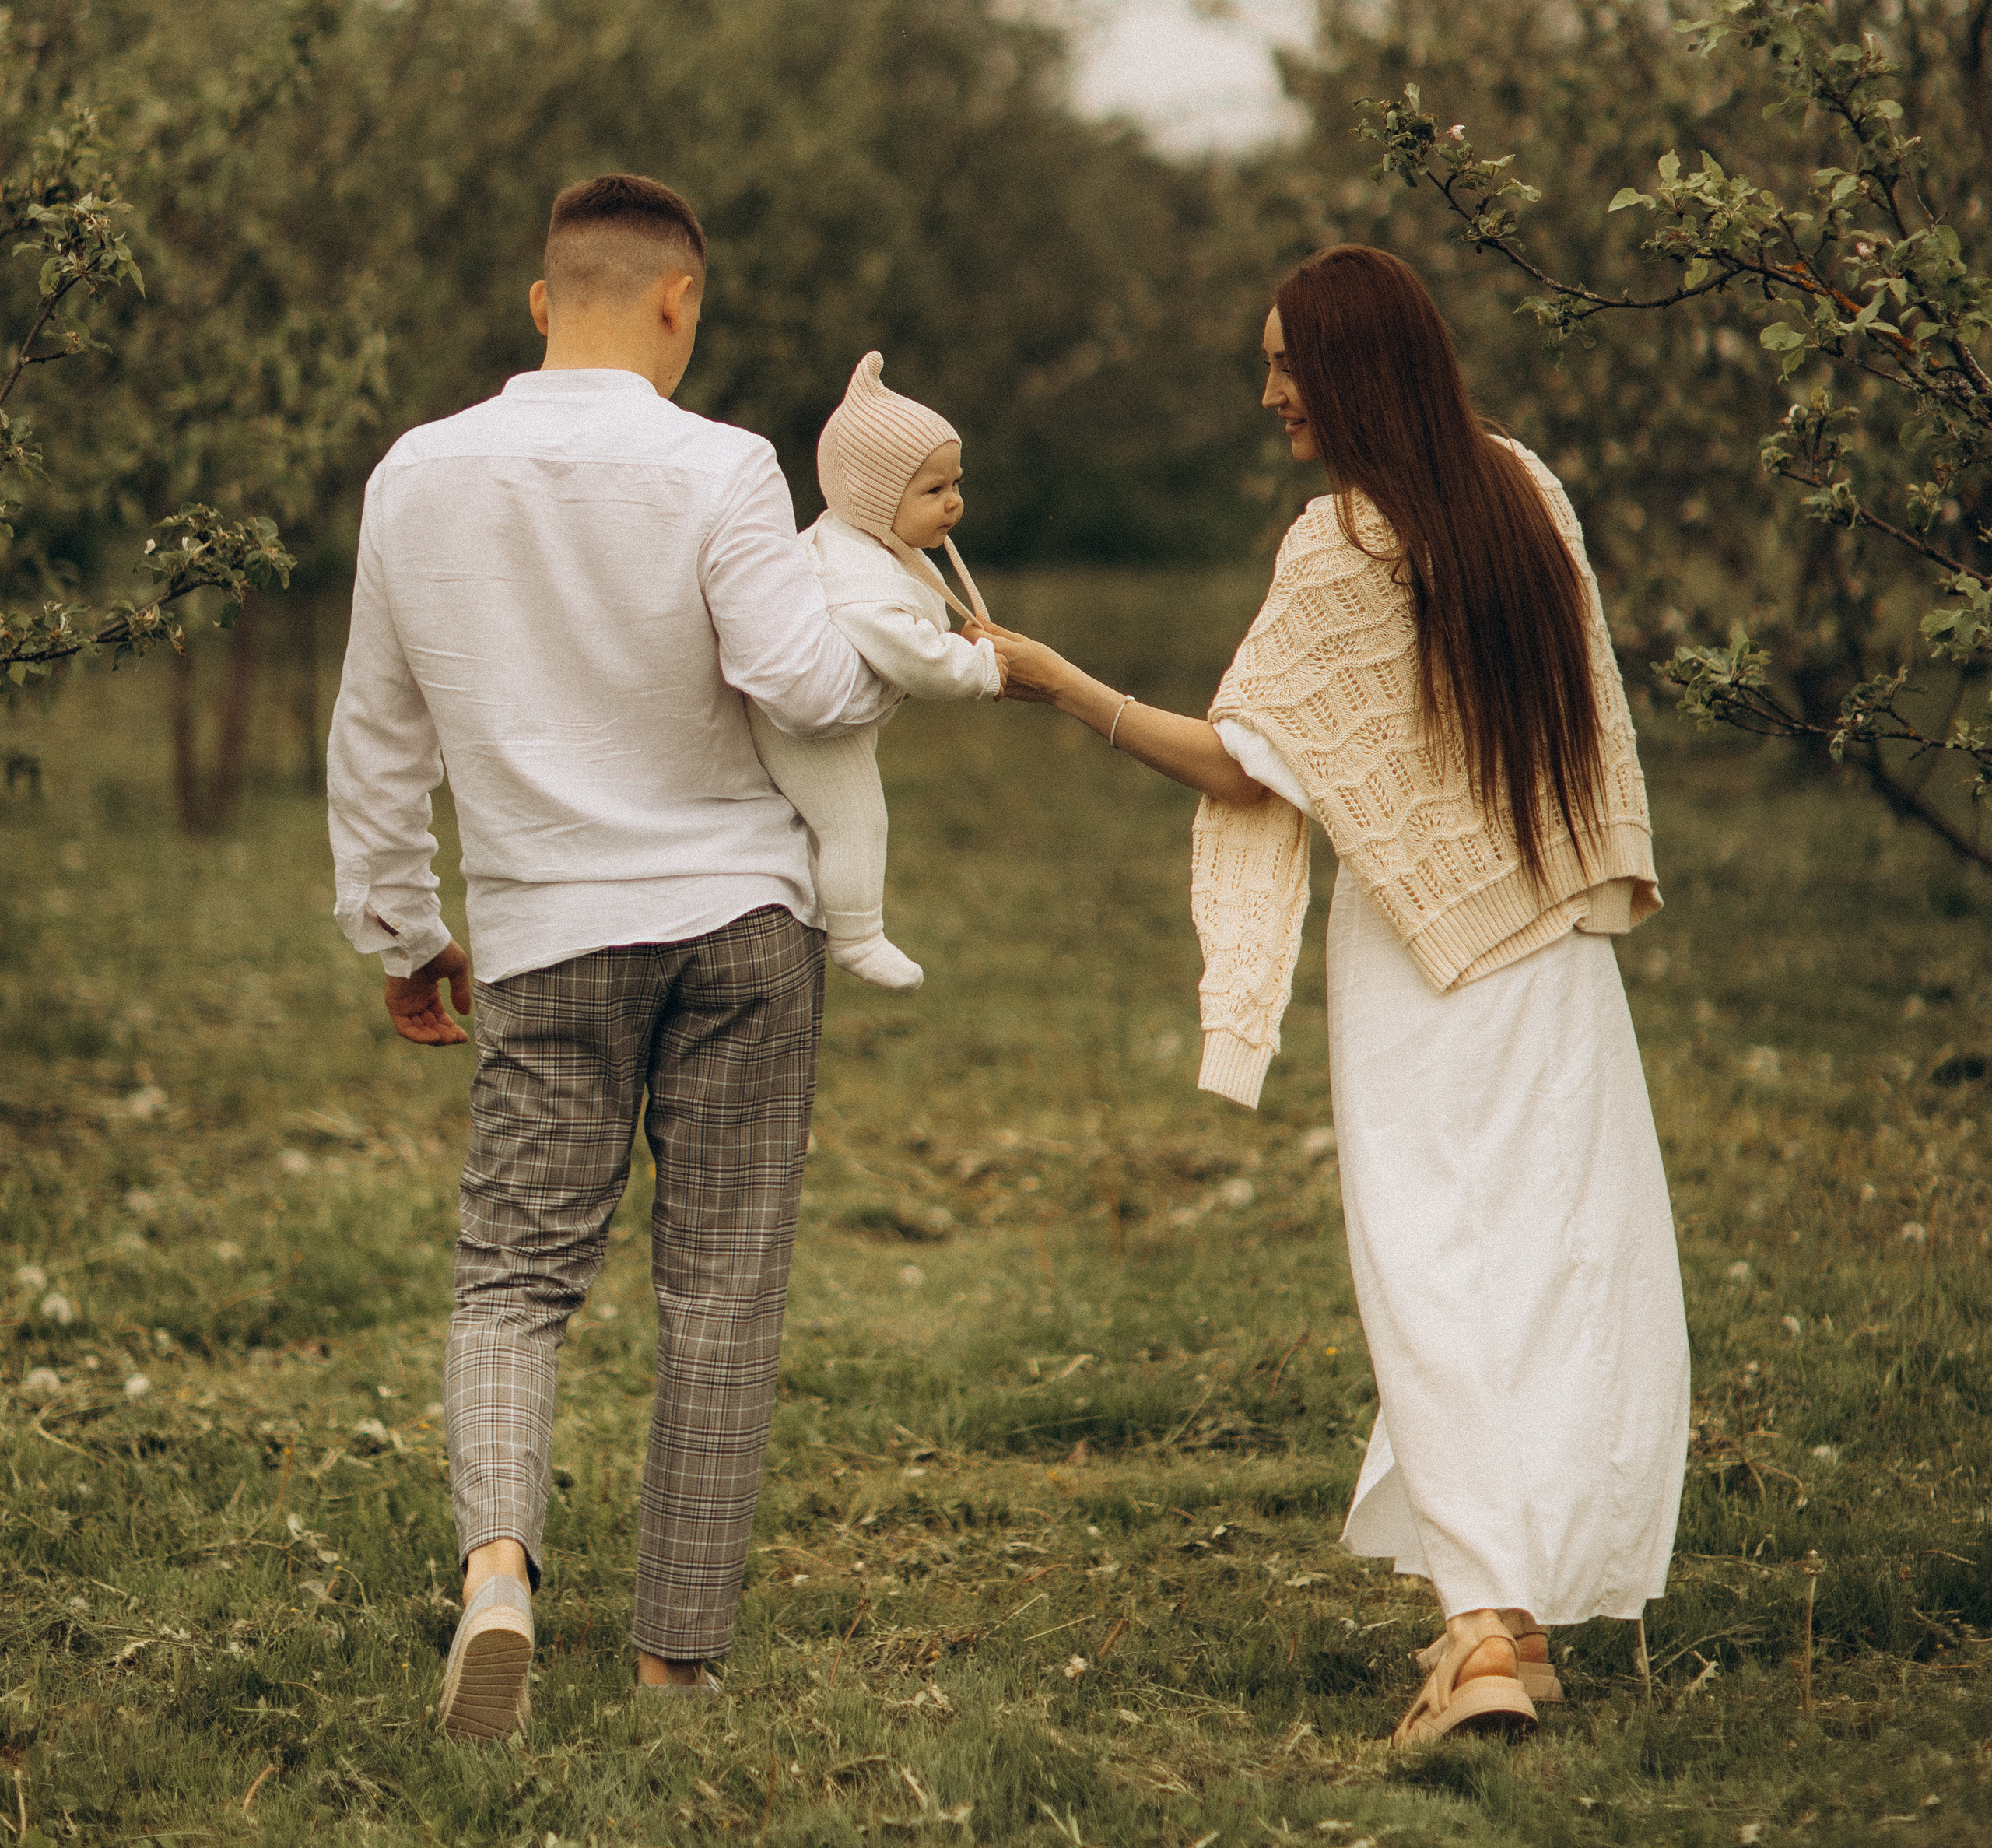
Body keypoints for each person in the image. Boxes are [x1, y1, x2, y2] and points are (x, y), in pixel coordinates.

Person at [985, 244, 1689, 1749]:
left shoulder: (1340, 544)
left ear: (1354, 370)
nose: (1270, 393)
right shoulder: (1526, 489)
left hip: (1426, 971)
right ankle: (1509, 1617)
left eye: (1287, 364)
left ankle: (1483, 1636)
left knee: (1433, 1272)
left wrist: (1061, 686)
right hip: (1556, 953)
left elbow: (1250, 761)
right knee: (1551, 1275)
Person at [326, 173, 980, 1741]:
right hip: (741, 922)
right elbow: (800, 685)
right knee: (723, 1290)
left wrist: (406, 932)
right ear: (678, 301)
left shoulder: (415, 475)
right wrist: (909, 645)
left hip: (547, 935)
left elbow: (377, 734)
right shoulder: (726, 465)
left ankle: (499, 1573)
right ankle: (674, 1661)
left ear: (543, 302)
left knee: (511, 1277)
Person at [748, 351, 1001, 989]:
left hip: (815, 712)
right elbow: (911, 655)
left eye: (956, 484)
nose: (953, 504)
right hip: (800, 725)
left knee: (831, 820)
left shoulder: (873, 540)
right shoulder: (853, 575)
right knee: (856, 817)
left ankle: (822, 904)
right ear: (872, 495)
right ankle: (858, 936)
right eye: (934, 490)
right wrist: (982, 669)